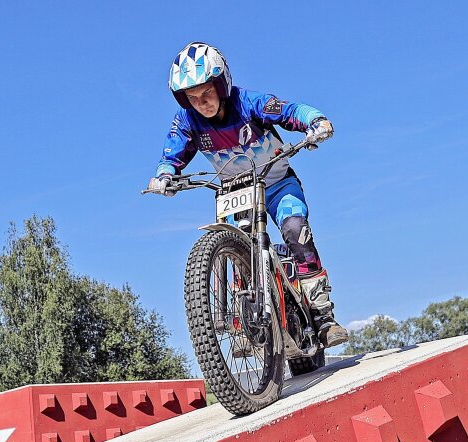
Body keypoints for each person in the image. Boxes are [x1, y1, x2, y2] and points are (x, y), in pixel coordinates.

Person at [147, 42, 348, 348]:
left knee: (296, 231)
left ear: (222, 84)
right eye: (193, 98)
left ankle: (323, 316)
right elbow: (172, 152)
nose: (202, 103)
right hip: (236, 191)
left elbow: (290, 111)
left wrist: (315, 121)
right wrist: (165, 176)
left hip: (278, 182)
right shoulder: (187, 121)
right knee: (237, 245)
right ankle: (242, 322)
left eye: (207, 93)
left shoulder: (249, 102)